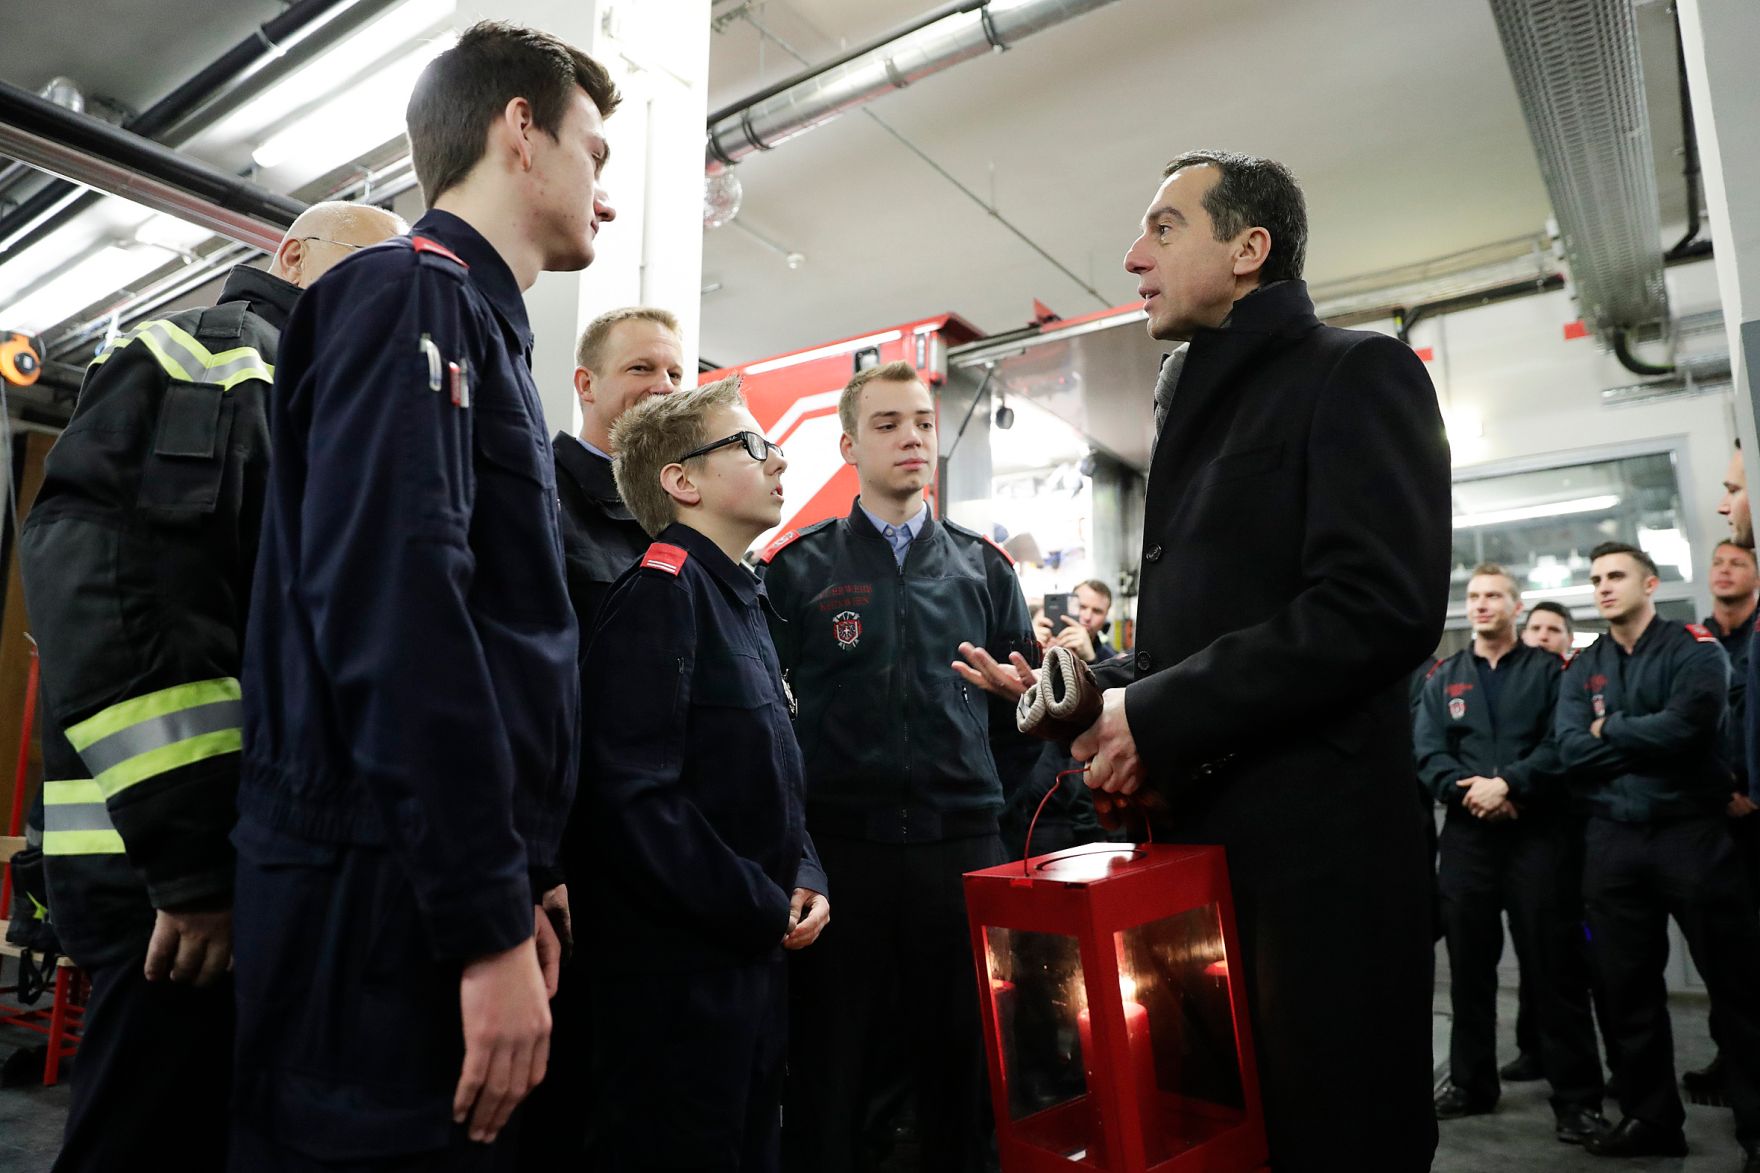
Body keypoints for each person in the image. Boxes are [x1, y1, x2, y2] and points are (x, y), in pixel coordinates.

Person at [958, 149, 1449, 1168]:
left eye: (1163, 228)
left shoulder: (1354, 372)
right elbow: (1217, 634)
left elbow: (1377, 608)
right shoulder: (1189, 406)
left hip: (1319, 872)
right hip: (1196, 861)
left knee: (1330, 1131)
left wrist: (1153, 716)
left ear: (1247, 247)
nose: (1133, 256)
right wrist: (1100, 699)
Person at [228, 23, 619, 1168]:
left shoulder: (479, 331)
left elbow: (500, 641)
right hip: (373, 894)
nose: (605, 190)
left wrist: (525, 873)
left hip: (427, 883)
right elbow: (399, 620)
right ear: (520, 131)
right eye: (592, 151)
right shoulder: (410, 300)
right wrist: (484, 919)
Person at [17, 200, 403, 1173]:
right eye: (368, 272)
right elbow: (126, 598)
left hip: (260, 872)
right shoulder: (218, 356)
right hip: (178, 885)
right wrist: (192, 865)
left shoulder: (321, 399)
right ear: (291, 253)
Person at [760, 360, 1038, 1173]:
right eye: (887, 423)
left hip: (961, 853)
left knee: (965, 1073)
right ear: (848, 443)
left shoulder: (985, 570)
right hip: (844, 858)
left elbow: (1022, 718)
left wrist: (986, 815)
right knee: (832, 1075)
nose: (911, 436)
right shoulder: (798, 570)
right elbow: (772, 724)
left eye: (920, 420)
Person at [577, 376, 827, 1170]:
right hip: (681, 983)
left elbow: (769, 775)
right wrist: (757, 900)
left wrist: (804, 871)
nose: (777, 457)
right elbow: (631, 796)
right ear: (681, 481)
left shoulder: (740, 601)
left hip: (745, 960)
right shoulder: (661, 596)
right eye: (752, 444)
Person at [520, 305, 683, 1168]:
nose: (662, 388)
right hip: (569, 871)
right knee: (561, 1111)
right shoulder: (541, 497)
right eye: (640, 370)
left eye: (673, 373)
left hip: (654, 864)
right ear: (584, 385)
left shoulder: (675, 519)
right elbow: (525, 692)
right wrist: (540, 862)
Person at [1555, 542, 1760, 1167]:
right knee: (1625, 989)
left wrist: (1608, 731)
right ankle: (1651, 1118)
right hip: (1613, 840)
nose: (1604, 587)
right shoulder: (1583, 666)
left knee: (1738, 987)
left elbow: (1691, 727)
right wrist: (1631, 737)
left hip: (1690, 833)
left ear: (1648, 583)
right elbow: (1568, 748)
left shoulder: (1694, 651)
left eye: (1616, 576)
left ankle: (1758, 1125)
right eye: (1595, 579)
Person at [1416, 565, 1608, 1143]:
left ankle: (1576, 1101)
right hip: (1470, 839)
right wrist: (1467, 790)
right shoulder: (1444, 676)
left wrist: (1512, 784)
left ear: (1516, 605)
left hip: (1537, 836)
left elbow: (1564, 742)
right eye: (1473, 596)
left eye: (1493, 595)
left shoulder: (1552, 672)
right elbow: (1427, 750)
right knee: (1469, 973)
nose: (1481, 604)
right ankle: (1471, 1084)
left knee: (1556, 971)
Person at [1684, 451, 1760, 1107]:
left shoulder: (1754, 638)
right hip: (1713, 819)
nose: (1724, 569)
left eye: (1736, 561)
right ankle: (1732, 1057)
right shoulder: (1694, 648)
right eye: (1717, 564)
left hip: (1756, 814)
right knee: (1725, 957)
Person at [1032, 579, 1121, 664]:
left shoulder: (1111, 660)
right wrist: (1031, 650)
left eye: (1097, 611)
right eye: (1081, 607)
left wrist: (1091, 660)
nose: (1087, 617)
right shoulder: (1044, 638)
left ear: (1106, 617)